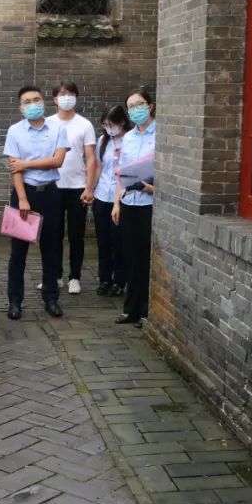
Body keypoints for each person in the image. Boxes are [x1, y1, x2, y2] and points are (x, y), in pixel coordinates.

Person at [3, 86, 68, 320]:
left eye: (36, 99)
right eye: (27, 101)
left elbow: (57, 161)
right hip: (24, 194)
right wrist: (22, 199)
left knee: (50, 249)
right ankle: (15, 301)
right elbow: (14, 168)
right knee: (18, 252)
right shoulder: (14, 131)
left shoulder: (58, 129)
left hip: (50, 193)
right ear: (21, 107)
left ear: (44, 102)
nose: (33, 104)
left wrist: (26, 164)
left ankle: (51, 298)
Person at [112, 88, 155, 329]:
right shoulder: (127, 138)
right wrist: (117, 203)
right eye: (131, 107)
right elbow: (121, 173)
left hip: (149, 203)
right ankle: (130, 309)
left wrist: (151, 188)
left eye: (140, 104)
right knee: (130, 257)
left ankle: (145, 311)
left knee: (145, 257)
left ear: (150, 106)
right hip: (129, 202)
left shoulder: (161, 134)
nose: (135, 110)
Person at [48, 82, 97, 295]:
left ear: (76, 97)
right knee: (53, 234)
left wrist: (89, 187)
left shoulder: (84, 124)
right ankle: (55, 276)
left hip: (77, 187)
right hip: (53, 186)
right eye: (62, 94)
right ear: (54, 99)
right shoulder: (48, 123)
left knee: (76, 236)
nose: (66, 97)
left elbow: (91, 158)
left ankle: (75, 277)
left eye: (70, 94)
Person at [91, 105, 131, 296]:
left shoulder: (130, 140)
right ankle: (104, 278)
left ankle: (119, 280)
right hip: (102, 195)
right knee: (103, 240)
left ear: (121, 122)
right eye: (105, 125)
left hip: (121, 197)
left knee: (119, 241)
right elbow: (98, 166)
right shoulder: (103, 141)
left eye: (111, 124)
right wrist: (90, 189)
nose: (108, 128)